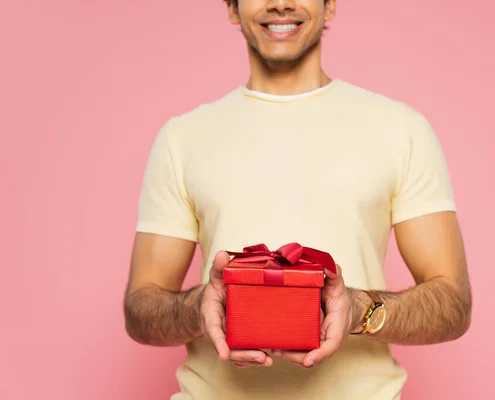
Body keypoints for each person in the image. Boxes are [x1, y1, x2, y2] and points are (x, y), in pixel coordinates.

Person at [123, 0, 472, 399]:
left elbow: (452, 301)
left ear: (330, 5)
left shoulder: (402, 130)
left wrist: (360, 309)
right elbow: (141, 309)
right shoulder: (181, 139)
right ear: (233, 9)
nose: (280, 3)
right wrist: (197, 308)